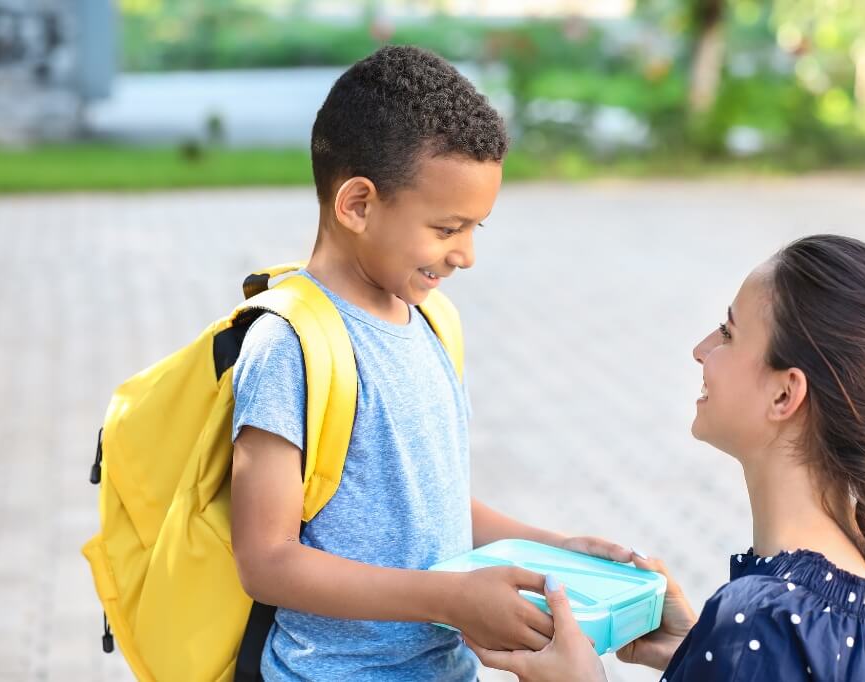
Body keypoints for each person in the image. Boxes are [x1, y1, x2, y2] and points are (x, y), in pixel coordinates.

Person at [228, 45, 631, 681]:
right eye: (447, 229)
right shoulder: (290, 345)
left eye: (478, 229)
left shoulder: (433, 322)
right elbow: (266, 560)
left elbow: (429, 507)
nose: (466, 254)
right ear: (358, 205)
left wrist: (551, 552)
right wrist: (448, 599)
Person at [469, 235, 865, 681]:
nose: (701, 349)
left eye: (728, 333)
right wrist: (700, 652)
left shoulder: (765, 619)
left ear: (785, 396)